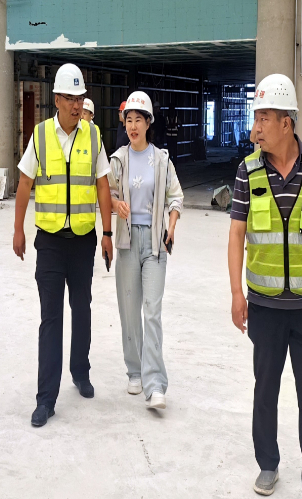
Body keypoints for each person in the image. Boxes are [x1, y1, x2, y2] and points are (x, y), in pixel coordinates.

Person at [228, 74, 302, 499]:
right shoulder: (247, 171)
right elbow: (236, 233)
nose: (255, 128)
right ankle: (268, 463)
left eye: (264, 118)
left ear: (286, 123)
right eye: (255, 118)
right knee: (266, 392)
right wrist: (236, 293)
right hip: (264, 308)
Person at [13, 63, 114, 428]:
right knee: (51, 318)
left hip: (84, 241)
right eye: (70, 98)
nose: (76, 104)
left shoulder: (93, 135)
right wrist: (18, 230)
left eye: (80, 98)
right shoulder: (40, 136)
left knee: (82, 308)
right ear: (56, 99)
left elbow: (103, 185)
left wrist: (107, 233)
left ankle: (80, 372)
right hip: (51, 243)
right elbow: (25, 183)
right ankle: (46, 399)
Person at [108, 92, 183, 410]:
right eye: (129, 120)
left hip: (154, 243)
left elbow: (176, 197)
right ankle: (134, 371)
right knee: (129, 310)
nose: (133, 126)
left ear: (149, 123)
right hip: (126, 243)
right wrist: (115, 205)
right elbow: (107, 194)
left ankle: (155, 384)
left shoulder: (162, 160)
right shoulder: (117, 160)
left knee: (152, 311)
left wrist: (171, 225)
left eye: (139, 119)